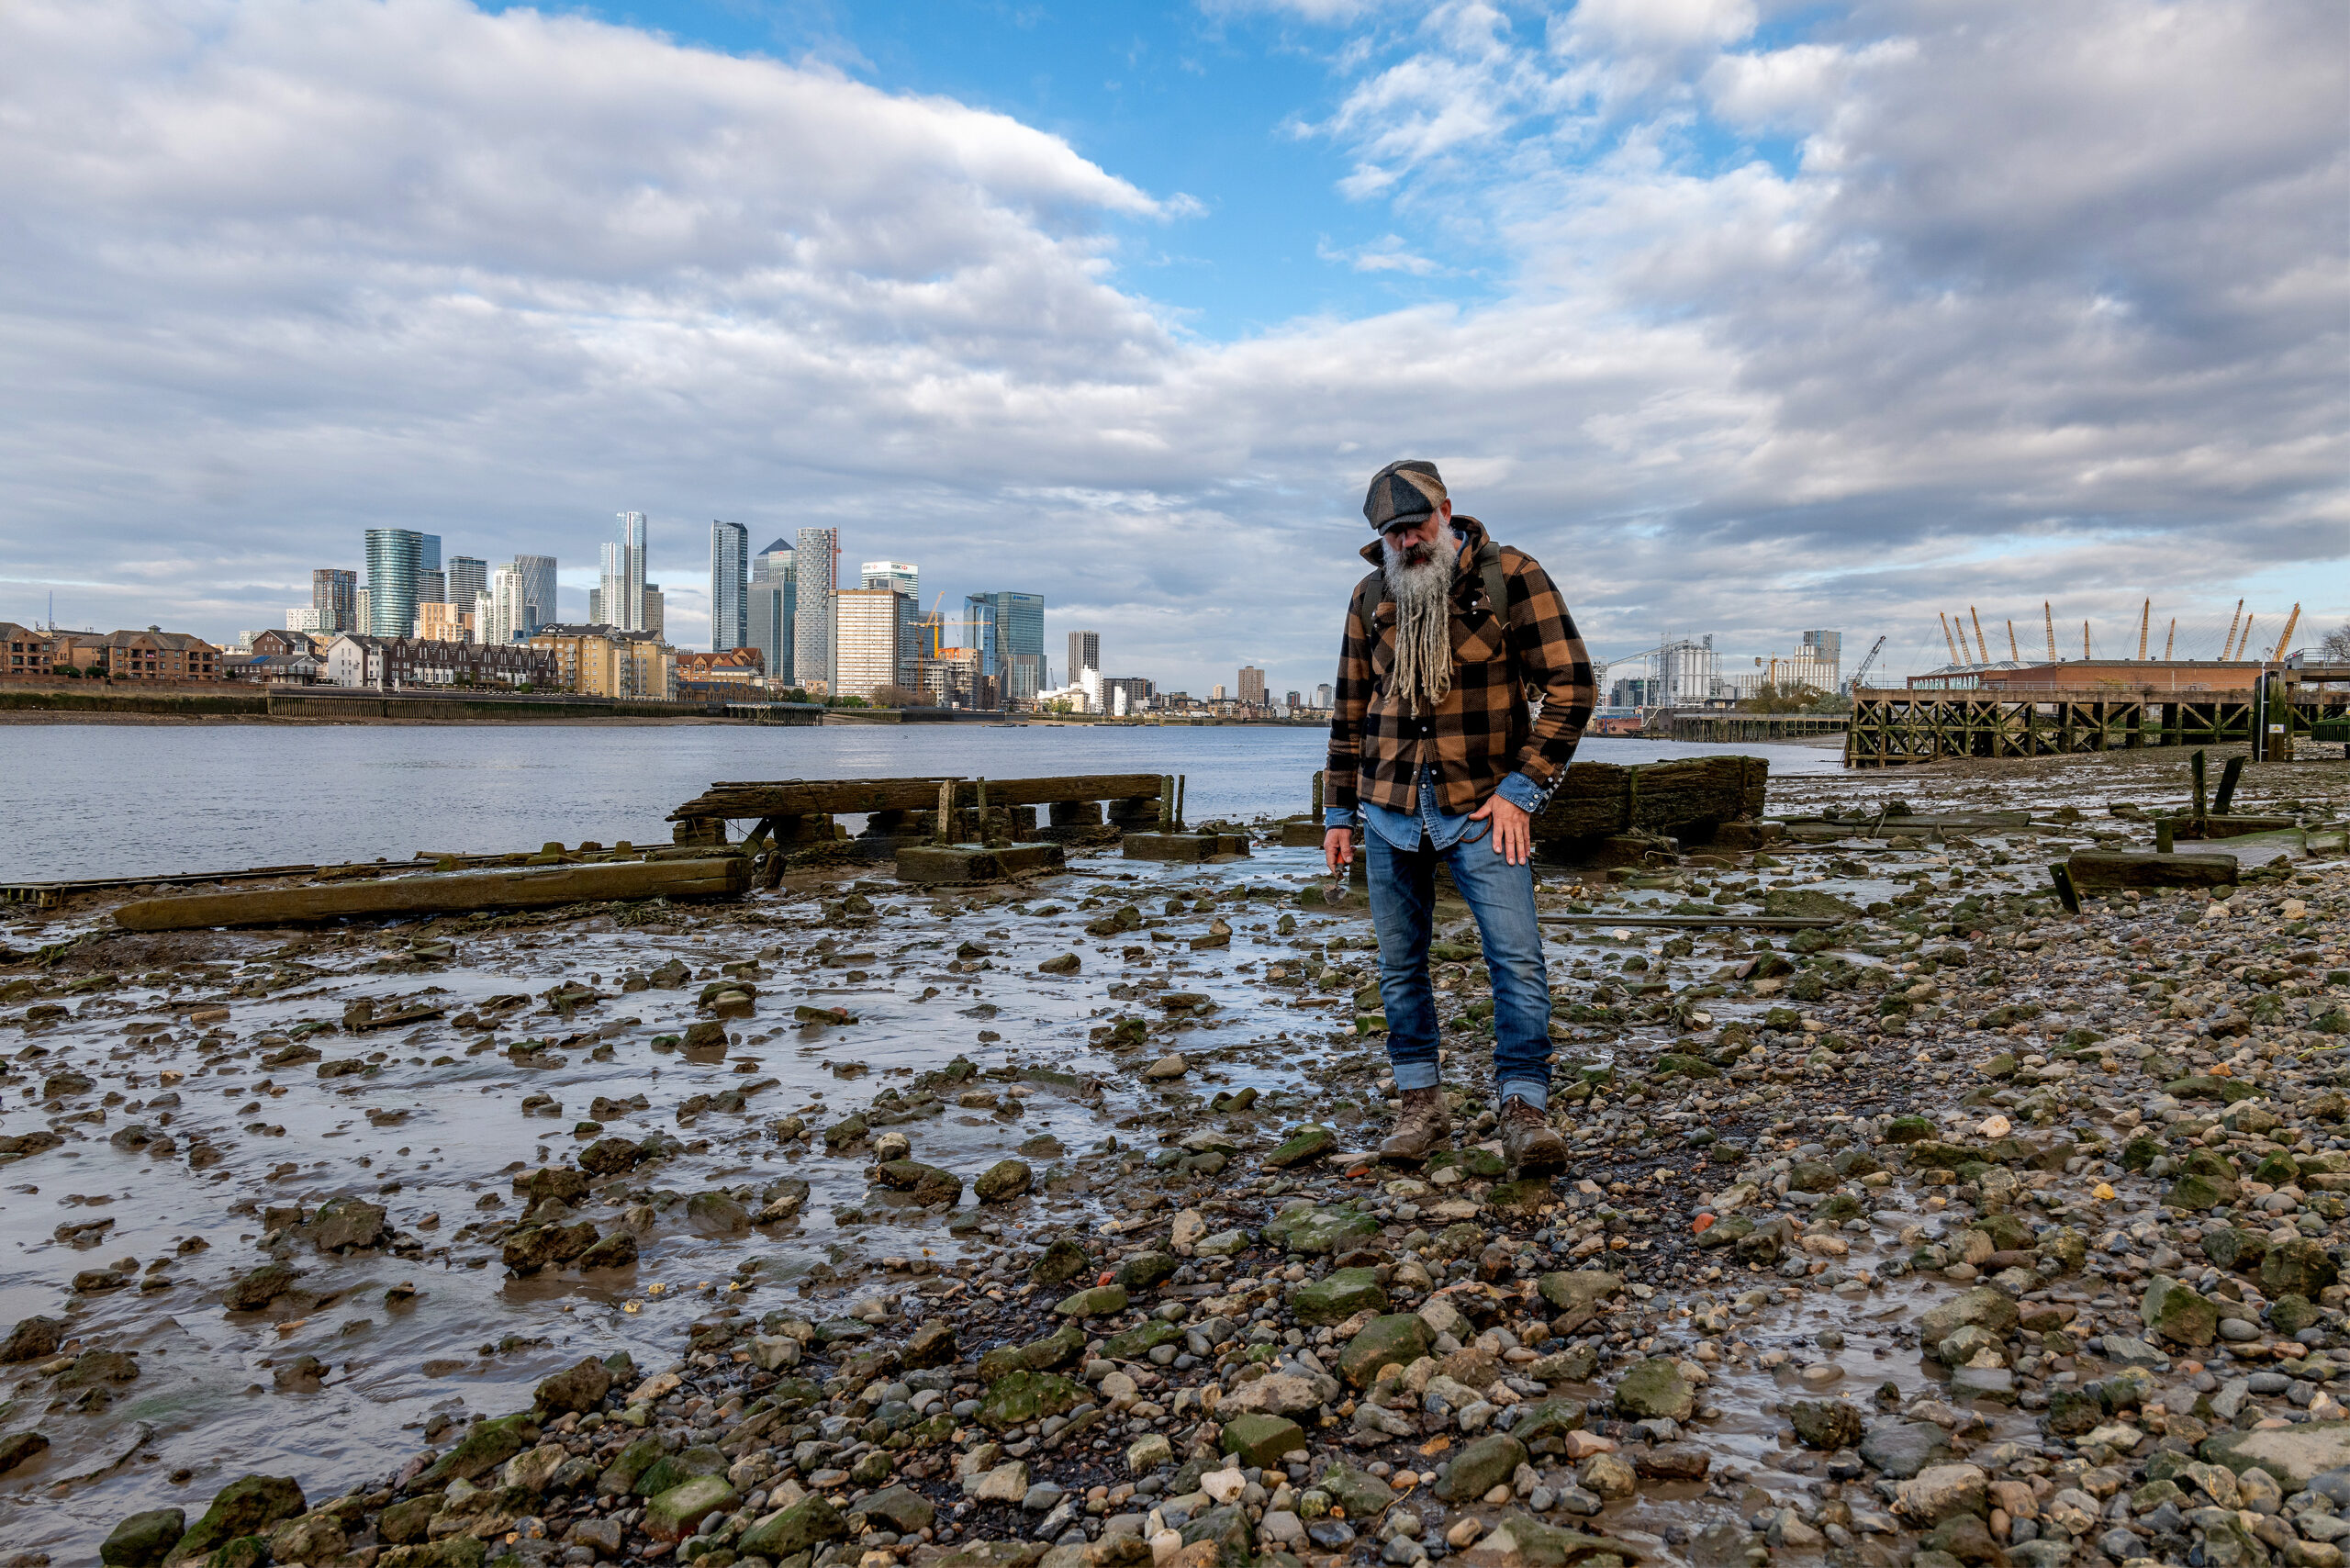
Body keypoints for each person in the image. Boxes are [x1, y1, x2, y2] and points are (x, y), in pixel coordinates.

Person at [1323, 459, 1595, 1174]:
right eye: (1393, 532)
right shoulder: (1369, 595)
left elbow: (1573, 686)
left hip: (1482, 808)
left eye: (1416, 525)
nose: (1407, 541)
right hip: (1385, 811)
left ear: (1447, 510)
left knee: (1517, 961)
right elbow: (1350, 711)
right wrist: (1337, 814)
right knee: (1398, 967)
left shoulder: (1511, 577)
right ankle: (1422, 1108)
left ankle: (1524, 1111)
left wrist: (1522, 791)